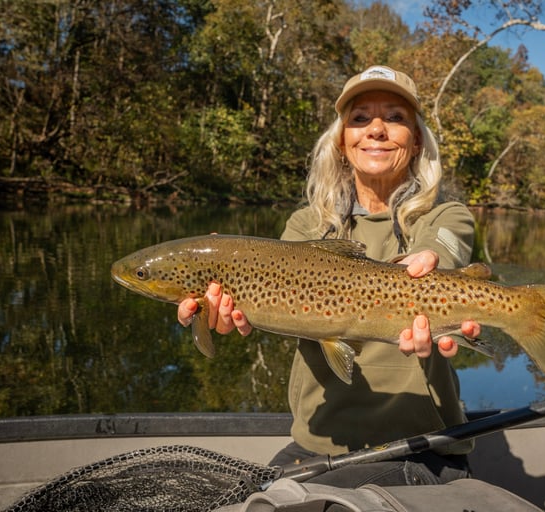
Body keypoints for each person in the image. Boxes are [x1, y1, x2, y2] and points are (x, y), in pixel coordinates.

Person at [178, 65, 481, 487]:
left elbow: (443, 244)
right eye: (359, 119)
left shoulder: (446, 215)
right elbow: (266, 292)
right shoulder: (306, 226)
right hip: (316, 444)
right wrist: (221, 306)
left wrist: (428, 258)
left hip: (421, 447)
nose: (375, 129)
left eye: (394, 118)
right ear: (342, 143)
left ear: (415, 144)